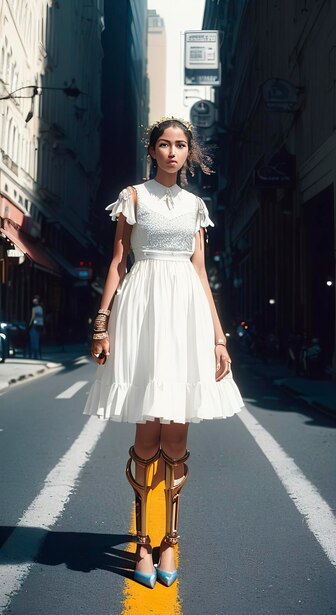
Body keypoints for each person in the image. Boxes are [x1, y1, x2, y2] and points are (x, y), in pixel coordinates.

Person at [84, 117, 244, 589]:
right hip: (142, 308)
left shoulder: (196, 206)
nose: (172, 152)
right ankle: (144, 544)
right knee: (147, 436)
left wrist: (219, 338)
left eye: (180, 145)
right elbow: (117, 262)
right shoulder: (132, 197)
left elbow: (200, 272)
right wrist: (101, 322)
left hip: (186, 313)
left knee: (176, 439)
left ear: (188, 152)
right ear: (151, 150)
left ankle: (170, 538)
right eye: (164, 145)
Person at [28, 295, 44, 359]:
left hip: (35, 325)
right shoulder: (40, 308)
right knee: (37, 339)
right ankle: (36, 354)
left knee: (34, 339)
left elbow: (33, 318)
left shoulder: (35, 308)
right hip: (40, 325)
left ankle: (34, 354)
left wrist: (29, 325)